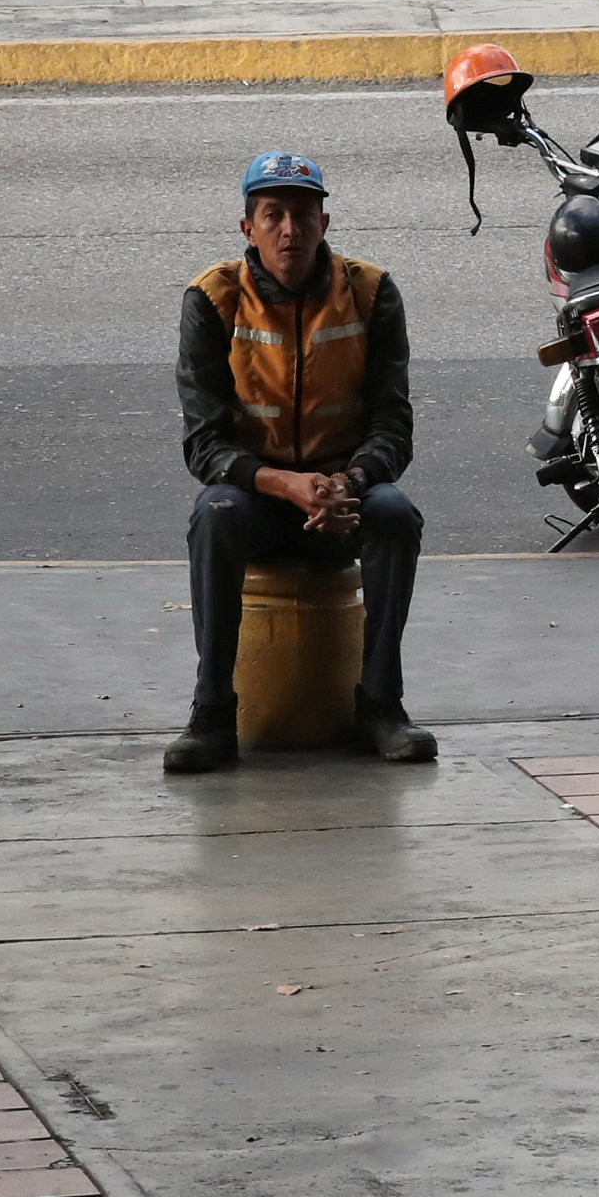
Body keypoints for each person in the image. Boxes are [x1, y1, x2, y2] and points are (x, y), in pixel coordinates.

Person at [172, 152, 434, 772]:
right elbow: (204, 445)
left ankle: (381, 704)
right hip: (259, 499)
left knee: (396, 514)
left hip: (344, 497)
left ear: (324, 222)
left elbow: (393, 425)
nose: (290, 230)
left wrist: (350, 482)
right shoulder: (212, 299)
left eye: (303, 215)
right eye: (273, 216)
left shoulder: (370, 292)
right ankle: (212, 713)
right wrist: (286, 485)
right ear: (247, 229)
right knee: (213, 514)